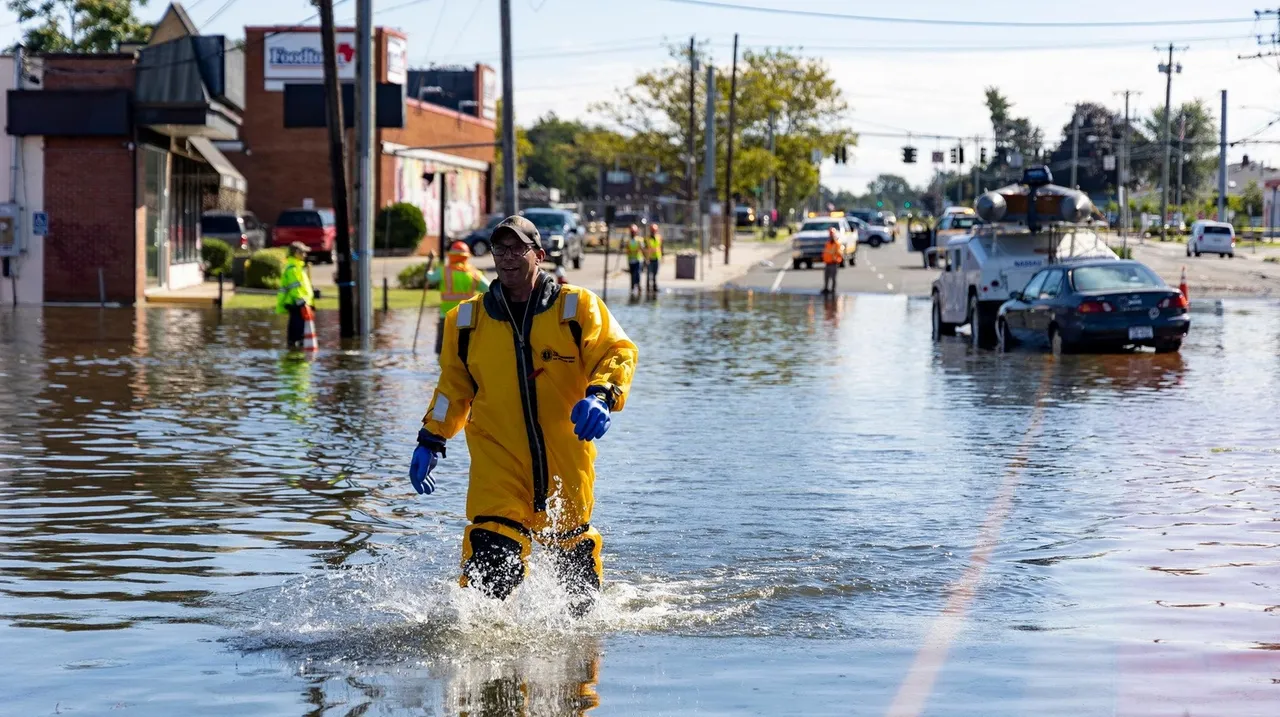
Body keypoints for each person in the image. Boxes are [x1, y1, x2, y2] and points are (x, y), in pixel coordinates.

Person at [408, 215, 638, 615]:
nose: (508, 257)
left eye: (518, 248)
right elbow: (452, 389)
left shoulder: (576, 308)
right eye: (500, 249)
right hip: (498, 464)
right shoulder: (465, 322)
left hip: (566, 463)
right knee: (488, 578)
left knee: (580, 607)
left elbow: (616, 352)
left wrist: (601, 395)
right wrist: (431, 438)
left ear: (539, 255)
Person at [427, 241, 490, 355]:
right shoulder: (474, 273)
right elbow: (489, 289)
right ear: (467, 257)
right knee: (464, 347)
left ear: (451, 255)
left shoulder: (444, 271)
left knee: (442, 347)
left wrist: (430, 262)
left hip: (446, 313)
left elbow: (430, 278)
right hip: (466, 313)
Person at [275, 242, 314, 348]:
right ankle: (294, 353)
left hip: (299, 305)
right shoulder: (293, 269)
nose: (305, 255)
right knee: (297, 334)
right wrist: (302, 303)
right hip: (297, 306)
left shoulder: (297, 267)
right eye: (303, 252)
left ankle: (294, 351)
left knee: (298, 333)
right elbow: (294, 289)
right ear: (297, 253)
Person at [821, 227, 844, 295]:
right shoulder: (828, 244)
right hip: (827, 263)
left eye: (832, 235)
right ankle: (826, 288)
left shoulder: (837, 244)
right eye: (830, 235)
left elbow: (840, 253)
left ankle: (833, 289)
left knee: (833, 277)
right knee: (826, 277)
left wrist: (836, 253)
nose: (831, 237)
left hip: (834, 263)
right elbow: (825, 252)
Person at [625, 225, 644, 296]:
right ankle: (632, 287)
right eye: (631, 232)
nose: (632, 233)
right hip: (631, 260)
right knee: (632, 274)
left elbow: (642, 248)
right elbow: (627, 250)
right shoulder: (628, 241)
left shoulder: (639, 240)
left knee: (637, 273)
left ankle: (638, 286)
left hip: (638, 259)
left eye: (633, 232)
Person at [644, 222, 663, 293]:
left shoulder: (659, 237)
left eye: (654, 230)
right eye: (652, 230)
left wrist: (662, 256)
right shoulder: (647, 238)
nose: (653, 232)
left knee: (655, 273)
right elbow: (645, 249)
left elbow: (661, 247)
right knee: (649, 274)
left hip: (657, 258)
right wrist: (646, 258)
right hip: (649, 258)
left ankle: (655, 287)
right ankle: (648, 288)